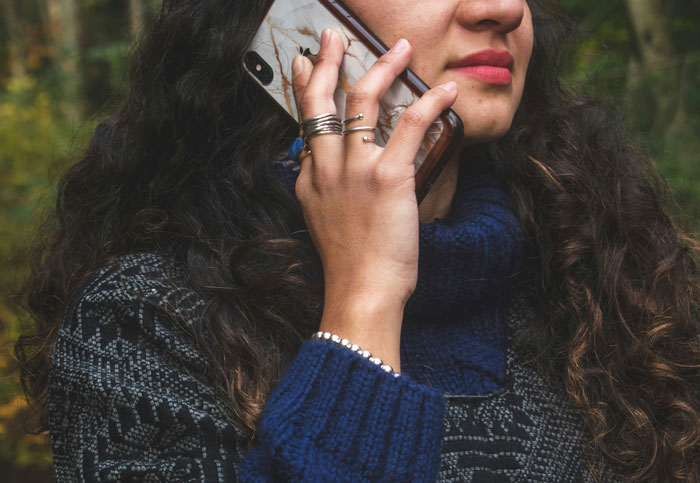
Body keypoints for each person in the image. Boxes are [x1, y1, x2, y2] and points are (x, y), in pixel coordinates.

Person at [16, 0, 700, 481]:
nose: (500, 8)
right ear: (299, 19)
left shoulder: (625, 288)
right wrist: (366, 298)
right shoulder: (144, 322)